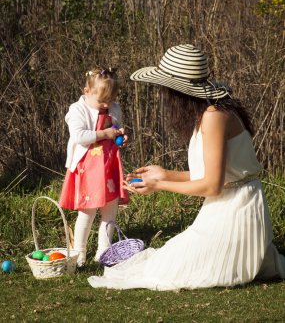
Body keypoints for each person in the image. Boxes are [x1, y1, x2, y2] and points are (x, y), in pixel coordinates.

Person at [88, 44, 285, 290]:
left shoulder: (214, 116)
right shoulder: (210, 113)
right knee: (166, 260)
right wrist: (165, 173)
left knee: (170, 270)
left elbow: (212, 186)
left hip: (237, 211)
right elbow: (217, 176)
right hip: (227, 206)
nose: (164, 96)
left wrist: (159, 184)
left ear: (178, 91)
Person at [59, 67, 129, 267]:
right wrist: (105, 134)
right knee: (87, 211)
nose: (106, 105)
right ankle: (79, 253)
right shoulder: (77, 110)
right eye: (102, 101)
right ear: (86, 91)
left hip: (109, 166)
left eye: (111, 99)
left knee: (110, 211)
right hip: (88, 169)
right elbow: (79, 136)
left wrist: (119, 136)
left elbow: (115, 130)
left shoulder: (113, 108)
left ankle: (104, 252)